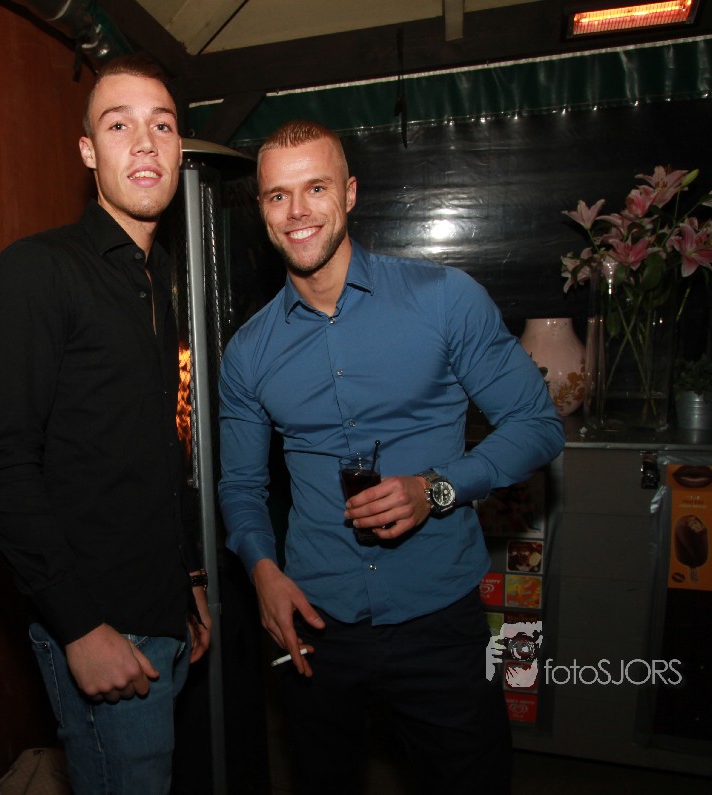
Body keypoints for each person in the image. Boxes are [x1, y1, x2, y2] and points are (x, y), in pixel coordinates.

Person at [217, 120, 566, 794]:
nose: (297, 212)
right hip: (315, 620)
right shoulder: (249, 352)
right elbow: (240, 485)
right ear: (261, 208)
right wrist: (262, 571)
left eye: (316, 188)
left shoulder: (444, 300)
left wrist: (435, 488)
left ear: (349, 193)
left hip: (438, 618)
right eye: (278, 196)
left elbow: (537, 424)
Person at [0, 53, 211, 795]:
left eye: (162, 125)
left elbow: (152, 451)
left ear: (178, 148)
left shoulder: (154, 279)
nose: (145, 142)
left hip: (160, 606)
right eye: (119, 125)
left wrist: (187, 579)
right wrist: (77, 626)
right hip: (102, 625)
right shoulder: (38, 269)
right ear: (88, 151)